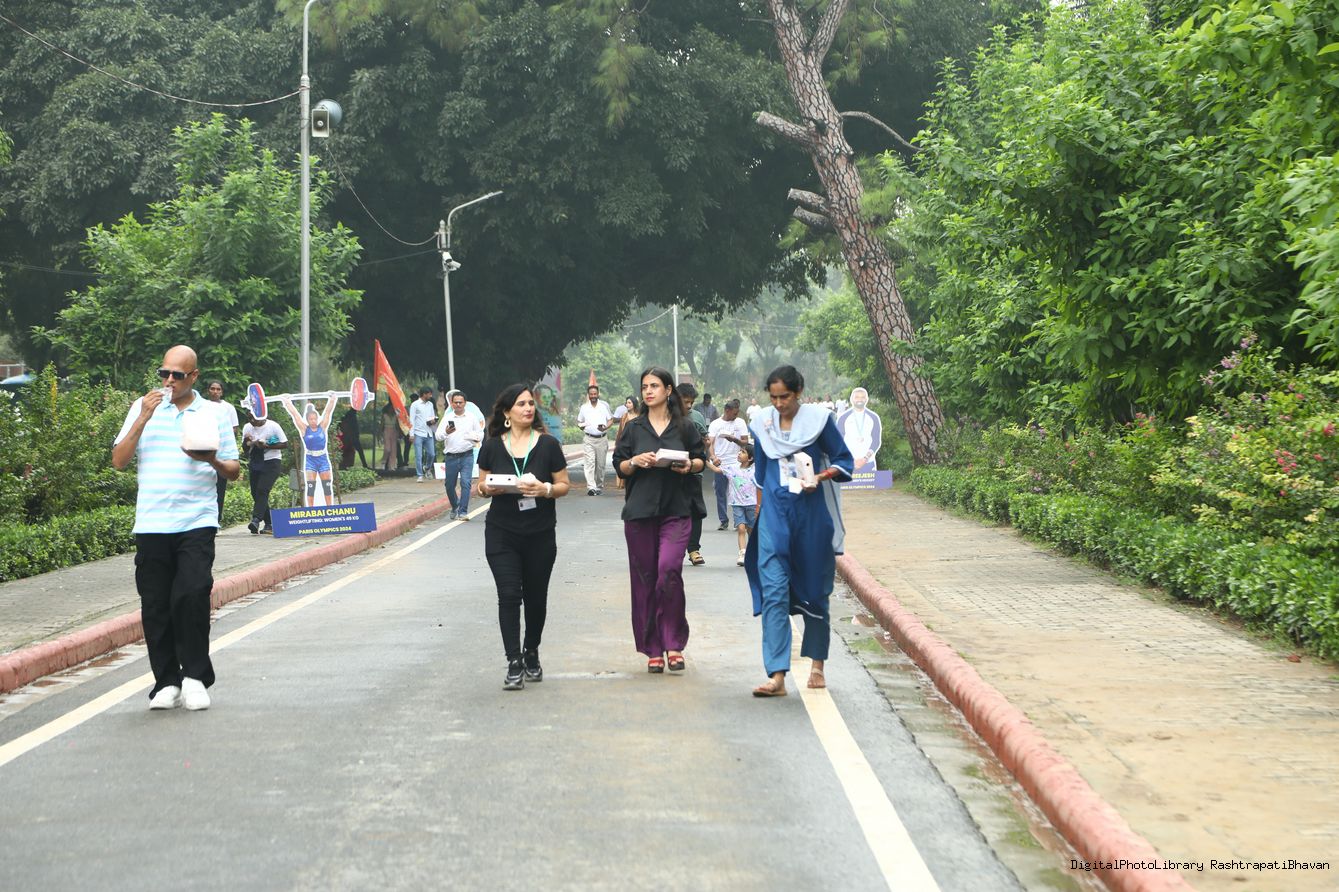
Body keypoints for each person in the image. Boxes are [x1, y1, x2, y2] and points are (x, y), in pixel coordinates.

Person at [111, 345, 240, 711]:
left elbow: (233, 470)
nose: (169, 381)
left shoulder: (212, 413)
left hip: (196, 520)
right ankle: (166, 682)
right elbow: (119, 460)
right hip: (152, 522)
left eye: (177, 375)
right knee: (155, 605)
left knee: (192, 594)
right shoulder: (142, 407)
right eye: (164, 373)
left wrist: (211, 459)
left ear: (193, 376)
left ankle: (195, 678)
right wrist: (143, 417)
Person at [745, 365, 854, 698]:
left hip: (810, 514)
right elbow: (761, 475)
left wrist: (819, 477)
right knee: (774, 590)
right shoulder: (762, 424)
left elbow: (843, 460)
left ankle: (817, 664)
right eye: (774, 397)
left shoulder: (818, 421)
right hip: (775, 514)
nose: (779, 404)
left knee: (815, 590)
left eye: (785, 397)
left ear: (799, 392)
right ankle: (776, 675)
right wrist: (760, 512)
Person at [476, 384, 571, 690]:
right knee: (508, 595)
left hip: (539, 534)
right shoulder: (492, 446)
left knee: (535, 597)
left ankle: (531, 651)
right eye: (521, 404)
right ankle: (514, 661)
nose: (528, 408)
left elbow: (564, 485)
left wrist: (545, 489)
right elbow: (480, 485)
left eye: (531, 403)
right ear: (507, 412)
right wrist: (487, 488)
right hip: (502, 533)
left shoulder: (548, 445)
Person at [612, 367, 707, 673]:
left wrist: (688, 465)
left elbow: (700, 459)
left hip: (676, 510)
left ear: (668, 390)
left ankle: (673, 642)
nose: (648, 391)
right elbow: (619, 465)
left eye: (654, 386)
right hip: (639, 513)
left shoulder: (684, 426)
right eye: (644, 387)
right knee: (645, 580)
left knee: (668, 571)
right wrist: (634, 461)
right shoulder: (634, 428)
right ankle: (653, 647)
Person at [280, 393, 338, 507]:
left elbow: (327, 412)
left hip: (323, 459)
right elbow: (295, 415)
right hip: (311, 460)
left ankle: (329, 509)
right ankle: (310, 510)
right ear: (307, 420)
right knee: (311, 487)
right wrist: (287, 402)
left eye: (315, 419)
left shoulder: (322, 427)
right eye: (311, 419)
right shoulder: (304, 429)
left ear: (317, 419)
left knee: (327, 486)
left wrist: (332, 400)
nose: (313, 421)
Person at [436, 390, 484, 520]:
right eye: (455, 402)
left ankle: (463, 511)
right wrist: (446, 432)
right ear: (452, 404)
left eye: (460, 402)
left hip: (467, 456)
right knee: (449, 485)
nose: (458, 405)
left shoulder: (471, 417)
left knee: (465, 483)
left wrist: (474, 437)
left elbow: (480, 433)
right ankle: (455, 505)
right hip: (451, 456)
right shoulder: (447, 418)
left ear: (465, 403)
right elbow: (438, 436)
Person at [676, 381, 710, 566]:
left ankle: (694, 549)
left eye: (691, 402)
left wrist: (704, 453)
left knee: (694, 512)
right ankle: (675, 549)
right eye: (685, 401)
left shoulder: (696, 417)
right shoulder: (665, 417)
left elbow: (705, 440)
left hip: (694, 471)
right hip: (670, 473)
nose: (689, 406)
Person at [241, 410, 290, 534]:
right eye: (249, 418)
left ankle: (256, 519)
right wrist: (247, 441)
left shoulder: (273, 426)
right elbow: (245, 448)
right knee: (255, 493)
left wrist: (267, 446)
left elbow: (284, 444)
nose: (252, 421)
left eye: (254, 418)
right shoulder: (247, 427)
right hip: (256, 462)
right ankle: (269, 523)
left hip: (272, 462)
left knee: (262, 490)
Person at [707, 398, 750, 531]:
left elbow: (745, 442)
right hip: (721, 462)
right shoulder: (715, 424)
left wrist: (734, 439)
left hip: (737, 463)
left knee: (740, 492)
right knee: (720, 492)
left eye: (737, 413)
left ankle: (740, 520)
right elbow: (710, 443)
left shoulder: (740, 422)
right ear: (727, 410)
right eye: (734, 413)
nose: (736, 416)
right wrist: (713, 457)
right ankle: (723, 520)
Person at [206, 380, 239, 523]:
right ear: (208, 390)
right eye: (212, 389)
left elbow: (234, 429)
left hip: (222, 455)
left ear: (222, 392)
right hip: (205, 453)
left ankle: (217, 520)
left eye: (218, 389)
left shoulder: (228, 408)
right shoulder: (202, 406)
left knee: (219, 489)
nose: (215, 392)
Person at [723, 445, 758, 567]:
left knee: (751, 530)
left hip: (752, 503)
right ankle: (742, 553)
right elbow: (717, 470)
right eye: (740, 451)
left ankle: (752, 552)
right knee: (741, 528)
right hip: (737, 503)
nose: (739, 453)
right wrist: (704, 459)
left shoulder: (756, 470)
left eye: (743, 452)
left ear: (750, 458)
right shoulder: (732, 468)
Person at [576, 383, 614, 495]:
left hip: (602, 439)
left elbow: (610, 420)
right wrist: (581, 426)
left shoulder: (603, 406)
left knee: (600, 465)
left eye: (595, 394)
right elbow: (579, 421)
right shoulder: (584, 407)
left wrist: (605, 427)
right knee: (590, 463)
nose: (593, 396)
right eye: (591, 394)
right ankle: (591, 487)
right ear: (588, 395)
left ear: (598, 394)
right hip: (589, 439)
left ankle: (598, 486)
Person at [835, 386, 883, 473]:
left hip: (868, 463)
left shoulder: (874, 417)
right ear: (851, 399)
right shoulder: (843, 418)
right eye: (857, 397)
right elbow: (838, 442)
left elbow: (876, 441)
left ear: (866, 399)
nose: (860, 399)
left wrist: (865, 459)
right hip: (849, 463)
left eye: (863, 397)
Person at [410, 387, 437, 481]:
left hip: (428, 432)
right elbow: (412, 420)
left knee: (432, 454)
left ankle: (427, 468)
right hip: (418, 433)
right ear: (424, 394)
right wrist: (411, 434)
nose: (431, 396)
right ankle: (420, 475)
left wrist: (433, 420)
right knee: (419, 455)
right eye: (429, 394)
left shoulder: (430, 404)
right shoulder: (415, 405)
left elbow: (432, 416)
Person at [612, 397, 640, 491]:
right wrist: (618, 443)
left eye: (629, 403)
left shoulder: (640, 416)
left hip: (637, 443)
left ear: (634, 404)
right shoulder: (624, 416)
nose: (627, 404)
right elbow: (620, 431)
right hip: (626, 443)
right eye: (626, 403)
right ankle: (623, 483)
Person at [380, 402, 401, 470]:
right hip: (386, 431)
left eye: (392, 408)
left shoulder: (396, 416)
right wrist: (380, 434)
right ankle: (383, 462)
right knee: (387, 449)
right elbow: (381, 425)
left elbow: (397, 425)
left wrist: (399, 433)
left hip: (394, 432)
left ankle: (392, 466)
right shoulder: (384, 415)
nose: (391, 409)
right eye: (390, 408)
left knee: (393, 450)